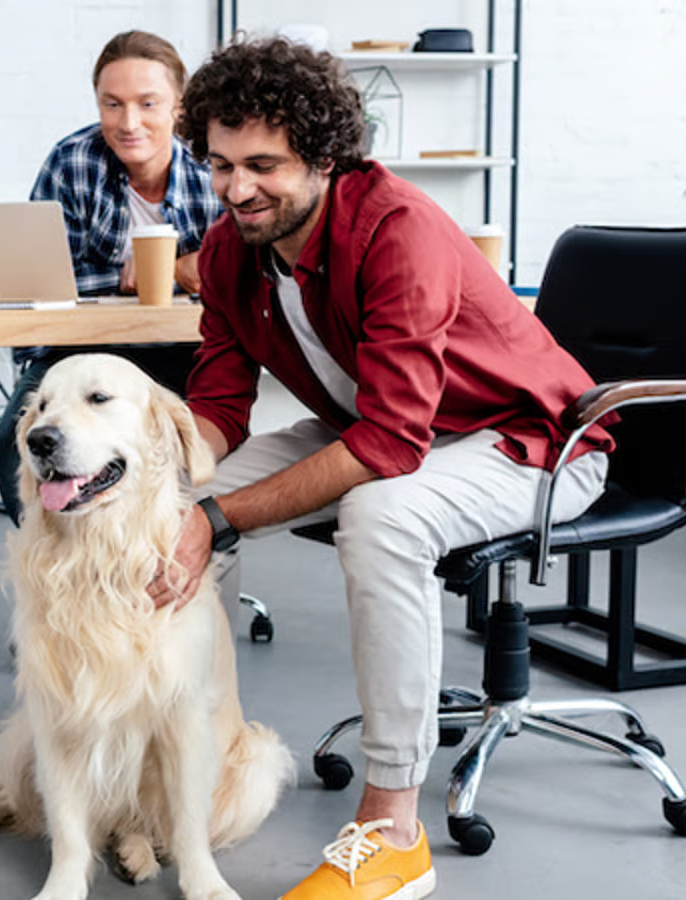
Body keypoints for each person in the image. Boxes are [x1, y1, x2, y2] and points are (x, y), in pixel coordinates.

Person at [159, 38, 616, 899]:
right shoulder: (229, 249)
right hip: (396, 432)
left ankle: (392, 831)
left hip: (531, 445)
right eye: (219, 165)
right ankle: (189, 762)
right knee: (174, 493)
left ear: (325, 157)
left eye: (264, 165)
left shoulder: (396, 230)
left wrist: (217, 521)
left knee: (381, 516)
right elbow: (219, 409)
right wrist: (173, 485)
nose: (236, 188)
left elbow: (387, 450)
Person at [0, 30, 223, 523]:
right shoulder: (71, 163)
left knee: (183, 454)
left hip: (188, 351)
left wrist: (178, 269)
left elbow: (241, 272)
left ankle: (167, 574)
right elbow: (44, 282)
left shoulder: (213, 169)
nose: (128, 122)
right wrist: (133, 276)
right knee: (10, 458)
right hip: (77, 352)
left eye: (148, 104)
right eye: (112, 104)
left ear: (179, 108)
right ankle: (68, 574)